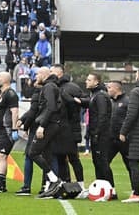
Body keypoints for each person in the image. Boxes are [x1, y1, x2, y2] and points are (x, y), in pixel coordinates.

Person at [74, 73, 114, 197]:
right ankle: (102, 189)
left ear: (96, 82)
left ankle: (111, 190)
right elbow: (90, 103)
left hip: (102, 135)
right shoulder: (95, 95)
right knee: (97, 162)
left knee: (102, 162)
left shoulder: (100, 95)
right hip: (97, 134)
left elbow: (102, 116)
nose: (86, 81)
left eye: (89, 79)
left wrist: (96, 133)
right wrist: (79, 101)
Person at [50, 65, 86, 197]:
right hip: (58, 130)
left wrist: (77, 101)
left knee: (73, 158)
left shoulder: (72, 87)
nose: (50, 74)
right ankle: (66, 184)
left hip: (70, 129)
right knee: (60, 158)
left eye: (52, 71)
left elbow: (85, 101)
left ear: (59, 73)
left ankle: (81, 186)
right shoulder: (53, 87)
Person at [28, 67, 63, 198]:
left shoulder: (48, 87)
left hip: (49, 125)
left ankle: (54, 180)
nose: (36, 76)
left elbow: (51, 107)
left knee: (33, 153)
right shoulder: (51, 86)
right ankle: (50, 186)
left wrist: (42, 125)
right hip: (53, 124)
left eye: (37, 74)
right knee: (47, 155)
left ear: (44, 74)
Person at [106, 81, 131, 200]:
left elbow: (132, 119)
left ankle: (135, 191)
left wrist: (125, 133)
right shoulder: (110, 102)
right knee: (104, 163)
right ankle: (112, 191)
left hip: (124, 140)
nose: (108, 89)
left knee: (130, 166)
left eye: (109, 87)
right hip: (111, 140)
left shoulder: (128, 101)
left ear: (116, 88)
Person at [119, 70, 139, 203]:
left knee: (133, 162)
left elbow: (131, 114)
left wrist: (123, 131)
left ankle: (136, 194)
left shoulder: (136, 91)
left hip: (138, 133)